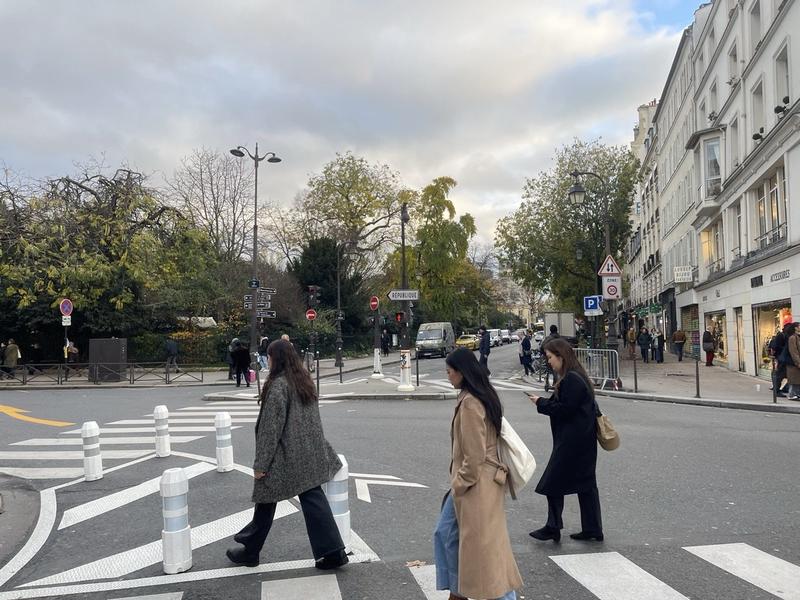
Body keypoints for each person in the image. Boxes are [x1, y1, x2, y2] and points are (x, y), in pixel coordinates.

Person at [226, 339, 348, 569]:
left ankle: (252, 551)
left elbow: (270, 429)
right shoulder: (302, 381)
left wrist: (261, 464)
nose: (268, 360)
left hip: (288, 455)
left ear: (277, 359)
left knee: (270, 495)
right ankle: (332, 552)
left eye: (270, 356)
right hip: (308, 451)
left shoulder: (279, 386)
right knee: (303, 498)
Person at [434, 348, 522, 600]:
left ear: (461, 373)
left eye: (449, 372)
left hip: (477, 485)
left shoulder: (471, 403)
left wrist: (459, 484)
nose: (447, 375)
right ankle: (458, 590)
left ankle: (470, 592)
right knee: (447, 534)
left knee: (487, 551)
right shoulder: (476, 396)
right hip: (477, 483)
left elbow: (474, 456)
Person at [527, 337, 603, 543]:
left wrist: (540, 403)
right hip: (583, 440)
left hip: (572, 442)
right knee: (586, 485)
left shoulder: (571, 379)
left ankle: (553, 526)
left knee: (552, 482)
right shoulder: (578, 377)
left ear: (561, 356)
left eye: (550, 357)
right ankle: (593, 528)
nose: (549, 361)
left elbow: (565, 410)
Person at [785, 324, 800, 401]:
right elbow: (793, 351)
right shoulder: (792, 338)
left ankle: (796, 394)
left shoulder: (797, 337)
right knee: (794, 379)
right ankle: (792, 394)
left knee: (797, 379)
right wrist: (798, 362)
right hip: (793, 363)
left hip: (795, 362)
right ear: (795, 328)